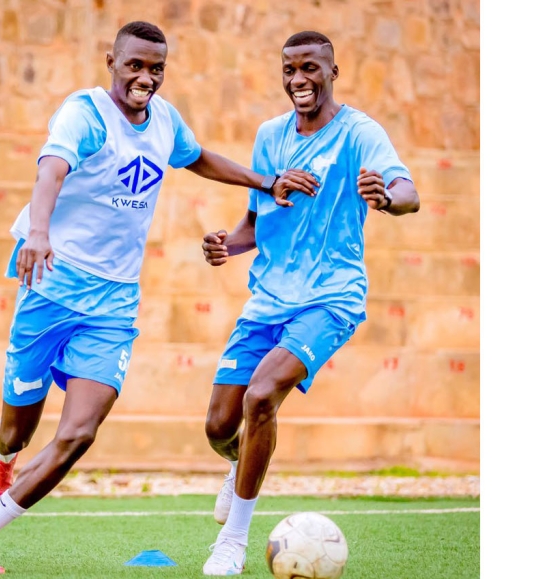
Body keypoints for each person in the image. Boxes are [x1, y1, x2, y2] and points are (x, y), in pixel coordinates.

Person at [0, 21, 319, 575]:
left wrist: (265, 182)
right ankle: (2, 458)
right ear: (111, 62)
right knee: (16, 429)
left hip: (114, 304)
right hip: (51, 284)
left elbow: (197, 157)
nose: (146, 77)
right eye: (135, 65)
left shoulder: (164, 121)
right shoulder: (85, 114)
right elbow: (51, 172)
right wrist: (39, 233)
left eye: (156, 68)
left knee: (77, 433)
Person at [198, 30, 420, 575]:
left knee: (263, 394)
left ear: (332, 72)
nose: (299, 80)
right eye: (290, 70)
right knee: (219, 427)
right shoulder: (269, 136)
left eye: (310, 69)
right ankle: (238, 465)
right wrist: (228, 244)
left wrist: (387, 200)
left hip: (330, 298)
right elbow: (256, 222)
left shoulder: (360, 133)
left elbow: (409, 192)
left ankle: (233, 539)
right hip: (267, 299)